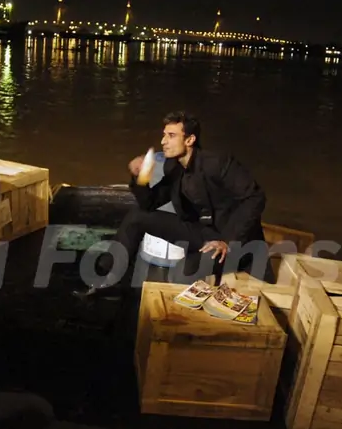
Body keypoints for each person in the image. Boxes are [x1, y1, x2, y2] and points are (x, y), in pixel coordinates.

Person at [73, 111, 267, 299]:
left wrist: (228, 241)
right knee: (137, 217)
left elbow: (255, 197)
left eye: (171, 135)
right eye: (164, 135)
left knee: (182, 273)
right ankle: (107, 279)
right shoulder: (174, 167)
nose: (163, 141)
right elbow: (149, 204)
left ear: (190, 140)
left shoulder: (218, 163)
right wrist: (140, 177)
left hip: (231, 242)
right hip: (201, 233)